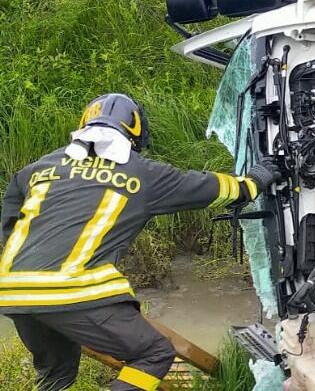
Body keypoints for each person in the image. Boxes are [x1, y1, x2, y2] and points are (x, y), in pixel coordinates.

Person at [0, 93, 281, 391]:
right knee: (153, 353)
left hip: (13, 292)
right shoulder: (144, 174)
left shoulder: (37, 169)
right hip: (71, 290)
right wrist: (258, 178)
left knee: (57, 375)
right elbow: (221, 189)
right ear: (136, 134)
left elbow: (8, 228)